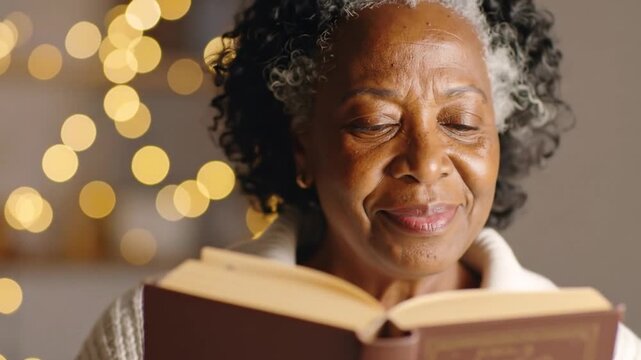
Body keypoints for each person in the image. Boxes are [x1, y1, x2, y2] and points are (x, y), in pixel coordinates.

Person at [77, 0, 641, 358]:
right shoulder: (149, 334)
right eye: (375, 123)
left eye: (462, 123)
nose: (425, 161)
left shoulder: (600, 349)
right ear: (302, 146)